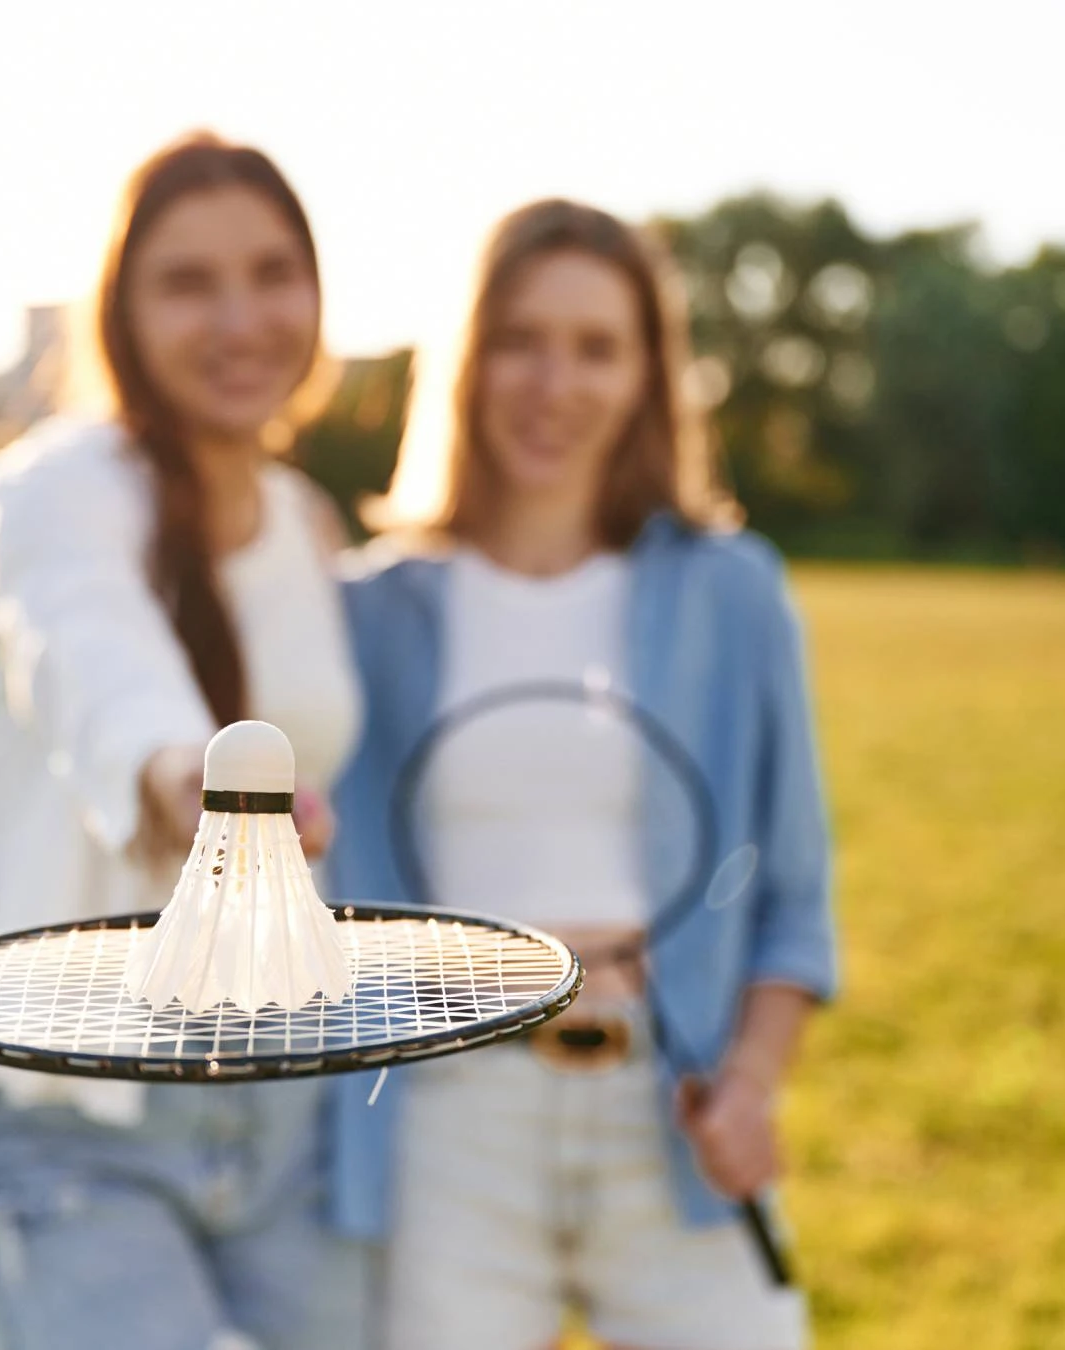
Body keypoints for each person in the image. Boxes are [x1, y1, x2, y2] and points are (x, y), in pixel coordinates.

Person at [327, 199, 838, 1350]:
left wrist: (750, 1084)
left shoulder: (732, 591)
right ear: (467, 361)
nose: (555, 383)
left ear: (650, 376)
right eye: (521, 340)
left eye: (597, 347)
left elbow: (795, 899)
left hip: (670, 1104)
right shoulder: (370, 609)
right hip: (451, 1119)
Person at [0, 132, 369, 1350]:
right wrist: (205, 794)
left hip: (284, 1112)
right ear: (121, 310)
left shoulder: (312, 528)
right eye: (187, 282)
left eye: (272, 273)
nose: (239, 317)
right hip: (71, 1120)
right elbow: (109, 679)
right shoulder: (52, 490)